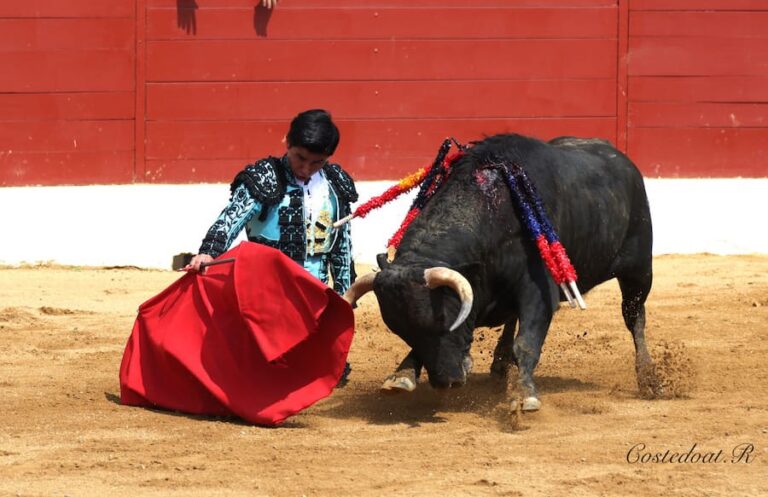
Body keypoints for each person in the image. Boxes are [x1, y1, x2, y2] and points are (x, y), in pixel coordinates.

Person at [185, 109, 358, 381]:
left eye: (317, 162)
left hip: (316, 289)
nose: (306, 169)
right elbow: (231, 218)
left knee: (316, 368)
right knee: (264, 367)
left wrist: (345, 292)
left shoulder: (336, 182)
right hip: (268, 288)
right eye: (300, 158)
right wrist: (209, 252)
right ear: (287, 142)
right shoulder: (265, 176)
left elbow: (342, 242)